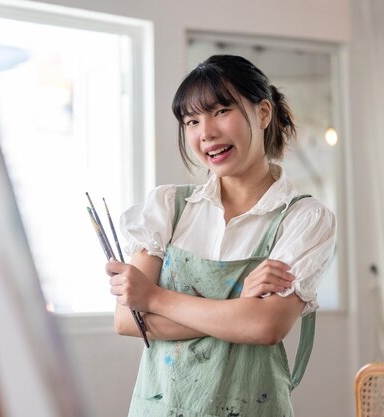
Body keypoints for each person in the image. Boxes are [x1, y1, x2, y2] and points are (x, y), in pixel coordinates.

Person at [105, 54, 336, 417]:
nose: (205, 132)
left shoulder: (305, 218)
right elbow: (127, 321)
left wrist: (153, 297)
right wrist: (237, 308)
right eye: (192, 120)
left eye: (221, 111)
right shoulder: (168, 207)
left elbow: (264, 325)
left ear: (262, 113)